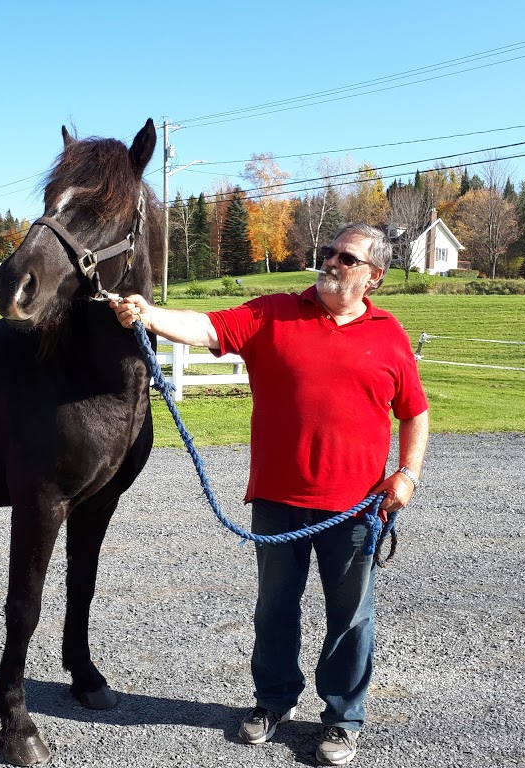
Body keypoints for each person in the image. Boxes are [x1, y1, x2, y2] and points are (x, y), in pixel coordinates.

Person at [111, 223, 429, 766]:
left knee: (351, 614)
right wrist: (149, 313)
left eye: (345, 257)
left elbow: (414, 412)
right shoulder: (275, 312)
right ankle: (272, 702)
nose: (330, 261)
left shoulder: (388, 333)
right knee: (275, 608)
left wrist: (408, 474)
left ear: (373, 275)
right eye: (327, 251)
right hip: (279, 501)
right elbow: (205, 326)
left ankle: (343, 718)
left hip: (357, 506)